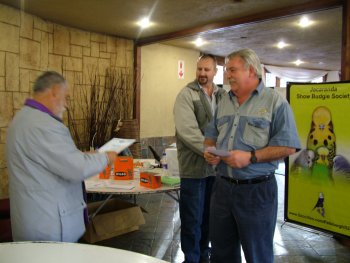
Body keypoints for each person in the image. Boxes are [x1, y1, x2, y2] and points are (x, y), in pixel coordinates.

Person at [204, 49, 301, 263]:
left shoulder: (275, 102)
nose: (227, 75)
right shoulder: (224, 102)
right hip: (222, 189)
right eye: (227, 70)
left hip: (256, 193)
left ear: (251, 70)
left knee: (257, 255)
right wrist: (210, 151)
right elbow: (210, 136)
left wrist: (250, 157)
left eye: (232, 70)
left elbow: (288, 146)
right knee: (221, 253)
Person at [5, 71, 118, 242]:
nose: (66, 105)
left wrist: (86, 155)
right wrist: (106, 158)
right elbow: (77, 168)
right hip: (48, 225)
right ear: (54, 91)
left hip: (35, 217)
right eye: (66, 97)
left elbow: (52, 160)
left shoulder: (23, 118)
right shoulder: (44, 124)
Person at [173, 54, 226, 263]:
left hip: (216, 169)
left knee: (209, 220)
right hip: (194, 169)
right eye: (199, 69)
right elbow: (187, 130)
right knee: (192, 219)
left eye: (207, 70)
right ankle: (191, 259)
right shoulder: (186, 95)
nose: (202, 74)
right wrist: (210, 150)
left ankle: (204, 257)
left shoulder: (223, 96)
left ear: (215, 72)